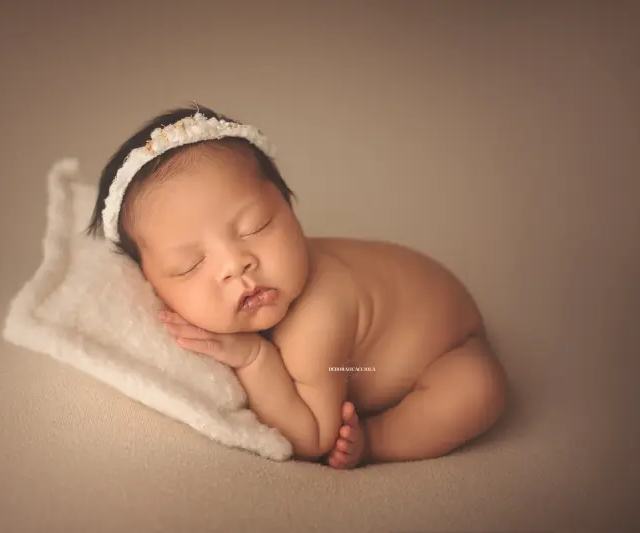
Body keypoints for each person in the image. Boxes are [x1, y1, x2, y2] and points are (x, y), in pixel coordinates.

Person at [85, 104, 507, 468]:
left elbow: (314, 436)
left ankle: (378, 439)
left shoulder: (317, 315)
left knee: (477, 389)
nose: (236, 263)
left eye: (256, 227)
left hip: (447, 349)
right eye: (189, 264)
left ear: (290, 209)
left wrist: (254, 358)